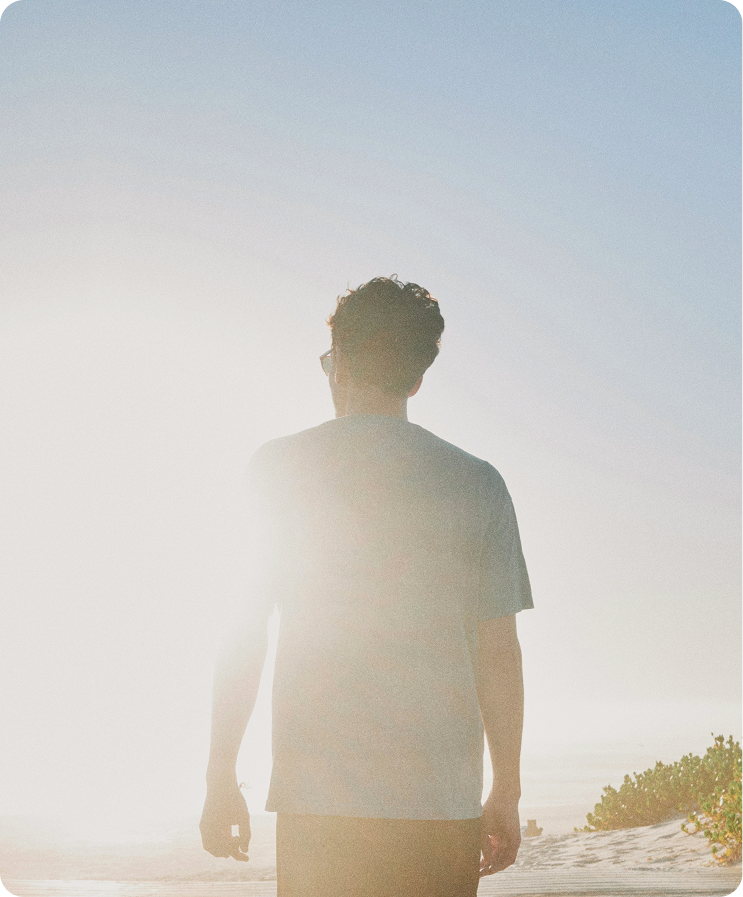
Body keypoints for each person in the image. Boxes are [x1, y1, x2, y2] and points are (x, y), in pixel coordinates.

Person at [200, 276, 533, 896]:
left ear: (340, 361)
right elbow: (499, 654)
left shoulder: (278, 469)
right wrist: (506, 792)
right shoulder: (478, 484)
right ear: (416, 378)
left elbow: (245, 635)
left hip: (318, 805)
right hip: (441, 805)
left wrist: (221, 775)